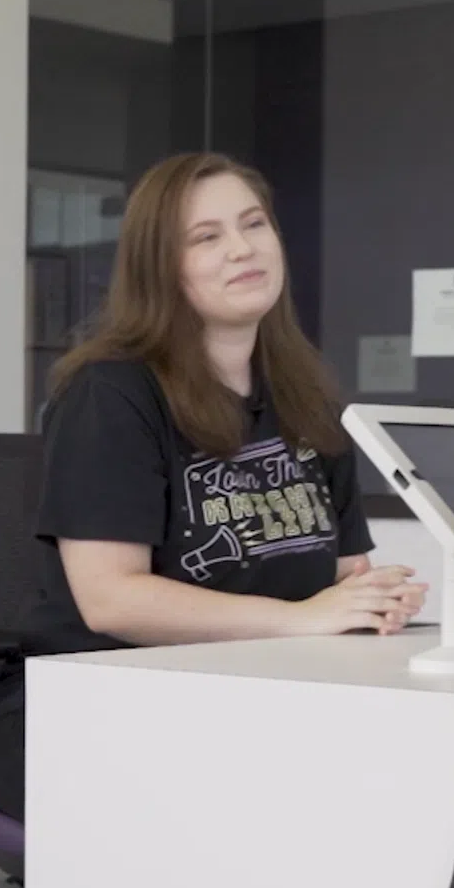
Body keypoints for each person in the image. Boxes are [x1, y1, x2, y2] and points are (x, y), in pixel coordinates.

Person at [32, 151, 425, 653]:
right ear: (160, 269)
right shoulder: (109, 395)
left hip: (263, 674)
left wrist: (372, 600)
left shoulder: (307, 396)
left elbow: (345, 571)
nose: (242, 249)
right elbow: (112, 599)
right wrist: (300, 618)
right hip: (111, 692)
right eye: (206, 237)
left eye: (254, 225)